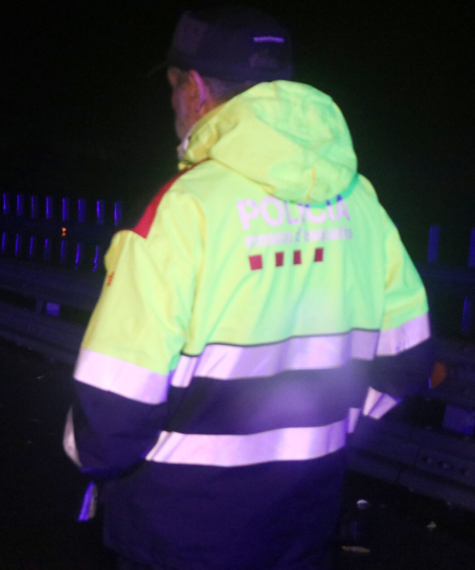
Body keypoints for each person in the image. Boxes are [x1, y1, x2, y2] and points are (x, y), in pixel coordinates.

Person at [63, 6, 433, 570]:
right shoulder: (361, 204)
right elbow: (407, 366)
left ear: (195, 89)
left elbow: (110, 421)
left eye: (171, 87)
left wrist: (89, 456)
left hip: (178, 534)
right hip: (302, 524)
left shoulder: (185, 211)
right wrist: (329, 434)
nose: (172, 105)